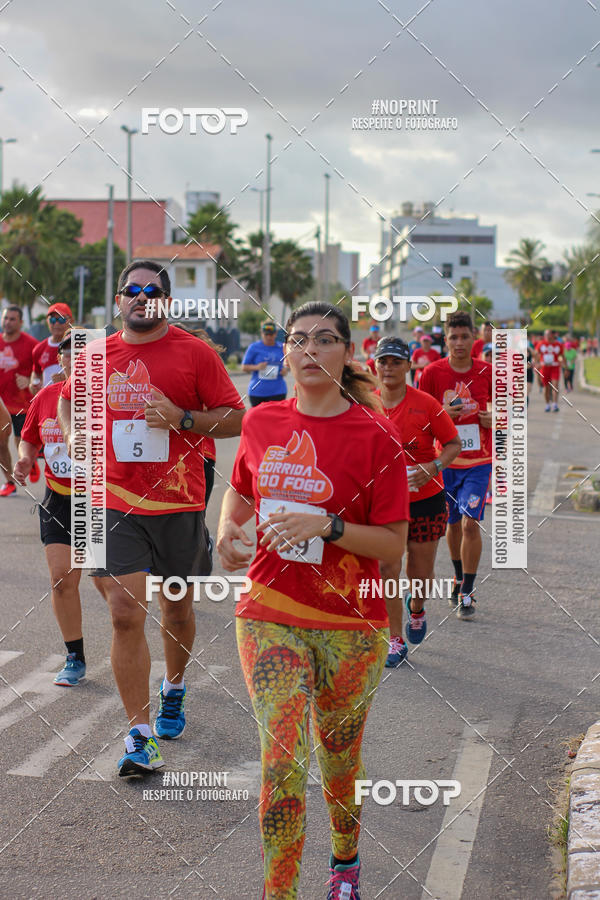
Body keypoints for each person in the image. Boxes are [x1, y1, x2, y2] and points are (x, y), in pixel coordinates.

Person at [217, 301, 409, 900]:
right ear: (285, 353)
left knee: (339, 758)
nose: (309, 350)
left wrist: (328, 526)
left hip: (352, 625)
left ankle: (345, 860)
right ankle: (279, 892)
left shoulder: (377, 436)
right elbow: (240, 490)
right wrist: (227, 530)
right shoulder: (262, 422)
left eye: (324, 339)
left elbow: (393, 544)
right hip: (269, 611)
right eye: (298, 339)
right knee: (281, 757)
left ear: (346, 353)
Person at [58, 260, 245, 777]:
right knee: (124, 611)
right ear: (119, 299)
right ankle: (140, 737)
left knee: (177, 609)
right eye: (132, 289)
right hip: (112, 499)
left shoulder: (195, 352)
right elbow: (67, 403)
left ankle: (174, 686)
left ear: (166, 301)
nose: (142, 296)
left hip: (178, 503)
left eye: (152, 290)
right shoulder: (94, 356)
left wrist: (183, 418)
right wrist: (73, 433)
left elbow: (236, 418)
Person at [14, 333, 103, 685]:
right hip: (59, 499)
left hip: (101, 502)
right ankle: (75, 657)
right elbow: (29, 438)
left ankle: (130, 642)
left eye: (82, 352)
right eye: (68, 352)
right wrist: (25, 459)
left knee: (111, 586)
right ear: (60, 360)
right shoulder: (46, 397)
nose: (74, 358)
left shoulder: (107, 399)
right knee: (62, 579)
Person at [374, 337, 460, 666]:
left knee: (419, 574)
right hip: (384, 503)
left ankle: (417, 608)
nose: (389, 368)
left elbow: (453, 444)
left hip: (426, 499)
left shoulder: (426, 404)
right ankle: (394, 639)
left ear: (409, 366)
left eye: (396, 362)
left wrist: (433, 467)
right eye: (383, 361)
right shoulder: (366, 405)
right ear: (375, 365)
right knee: (387, 568)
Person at [419, 311, 492, 620]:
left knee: (469, 523)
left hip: (479, 462)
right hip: (445, 461)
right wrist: (441, 414)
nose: (459, 343)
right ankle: (458, 576)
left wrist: (496, 418)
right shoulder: (432, 373)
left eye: (465, 337)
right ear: (445, 340)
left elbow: (512, 410)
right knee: (451, 523)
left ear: (474, 338)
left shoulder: (488, 371)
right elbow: (419, 416)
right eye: (454, 337)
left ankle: (468, 590)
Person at [0, 305, 39, 495]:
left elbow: (41, 370)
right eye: (5, 318)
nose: (7, 322)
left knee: (20, 442)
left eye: (12, 319)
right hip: (2, 404)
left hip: (23, 405)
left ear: (21, 322)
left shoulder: (32, 344)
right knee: (1, 444)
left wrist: (30, 379)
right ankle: (9, 482)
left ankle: (29, 461)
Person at [30, 302, 74, 394]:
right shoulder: (39, 349)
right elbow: (36, 374)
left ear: (71, 321)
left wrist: (67, 379)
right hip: (48, 400)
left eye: (61, 319)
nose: (56, 323)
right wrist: (33, 385)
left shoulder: (79, 345)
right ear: (47, 321)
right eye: (52, 320)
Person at [242, 320, 288, 406]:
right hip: (257, 392)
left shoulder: (281, 347)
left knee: (276, 415)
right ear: (261, 333)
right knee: (258, 415)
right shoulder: (254, 347)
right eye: (266, 334)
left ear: (276, 333)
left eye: (271, 334)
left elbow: (289, 363)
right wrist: (257, 367)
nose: (269, 337)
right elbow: (244, 367)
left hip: (278, 391)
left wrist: (285, 370)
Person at [534, 328, 563, 412]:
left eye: (548, 334)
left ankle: (555, 404)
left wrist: (561, 362)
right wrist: (537, 363)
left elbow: (561, 356)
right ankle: (547, 404)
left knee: (555, 385)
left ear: (553, 335)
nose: (546, 336)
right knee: (546, 388)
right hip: (544, 368)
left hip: (555, 367)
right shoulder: (541, 344)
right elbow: (536, 354)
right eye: (545, 334)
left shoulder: (558, 344)